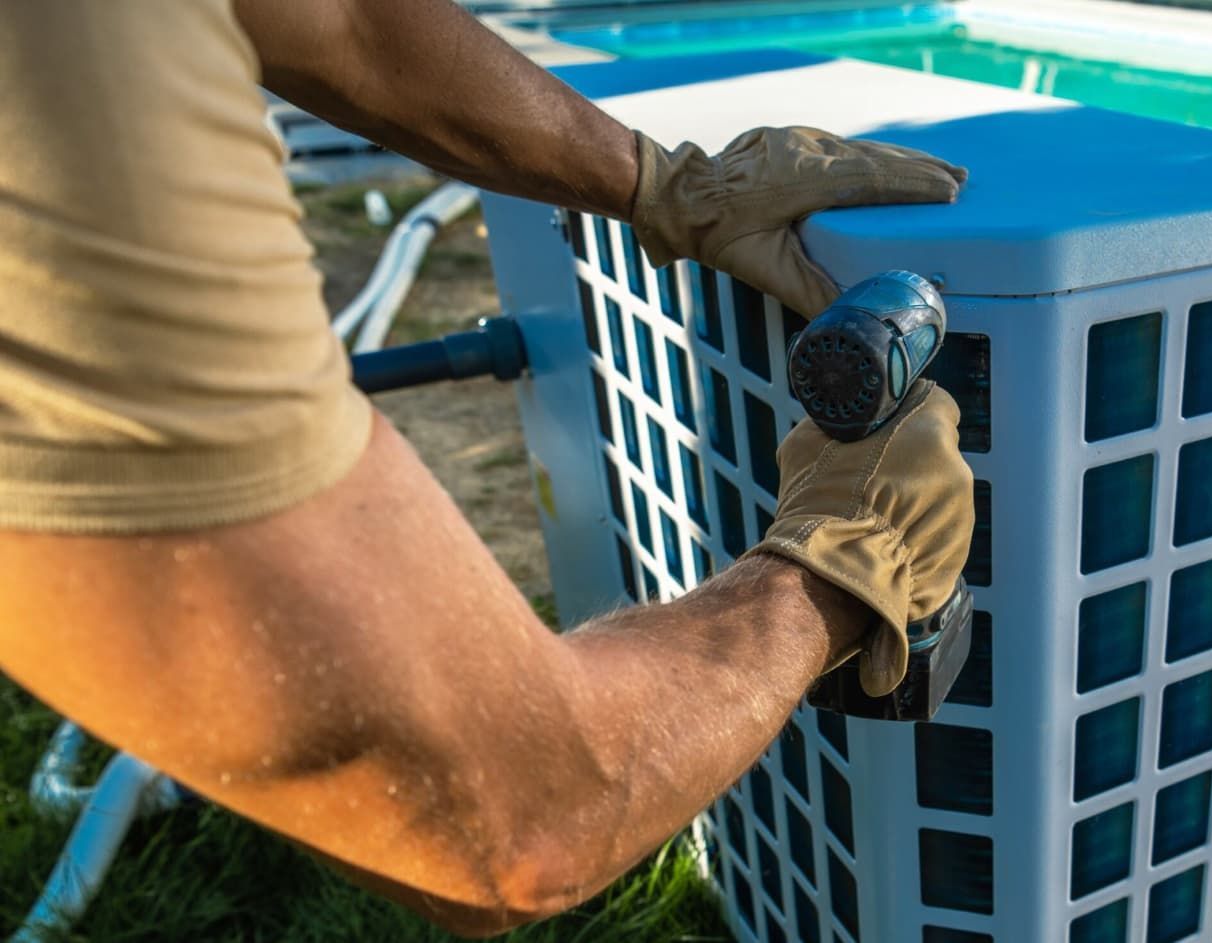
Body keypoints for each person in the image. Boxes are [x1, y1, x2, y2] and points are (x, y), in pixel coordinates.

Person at [0, 1, 974, 935]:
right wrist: (848, 562)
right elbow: (512, 818)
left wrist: (670, 185)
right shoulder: (61, 94)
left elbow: (343, 22)